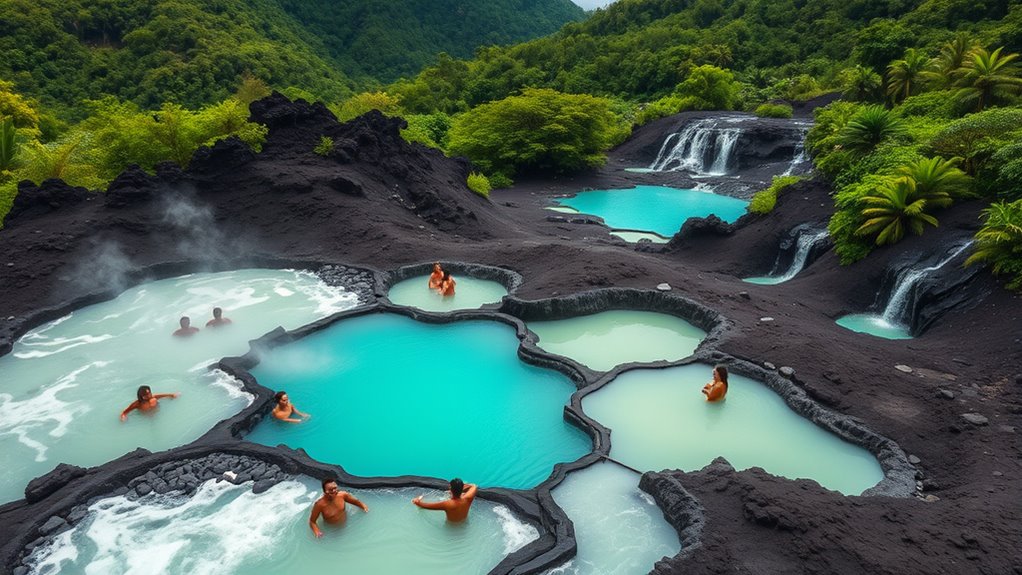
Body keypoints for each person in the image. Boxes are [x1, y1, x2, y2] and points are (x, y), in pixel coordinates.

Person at [412, 478, 477, 522]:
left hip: (451, 528)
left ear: (450, 489)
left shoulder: (448, 504)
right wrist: (459, 488)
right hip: (464, 524)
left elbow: (426, 506)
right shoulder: (468, 498)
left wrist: (417, 501)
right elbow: (474, 486)